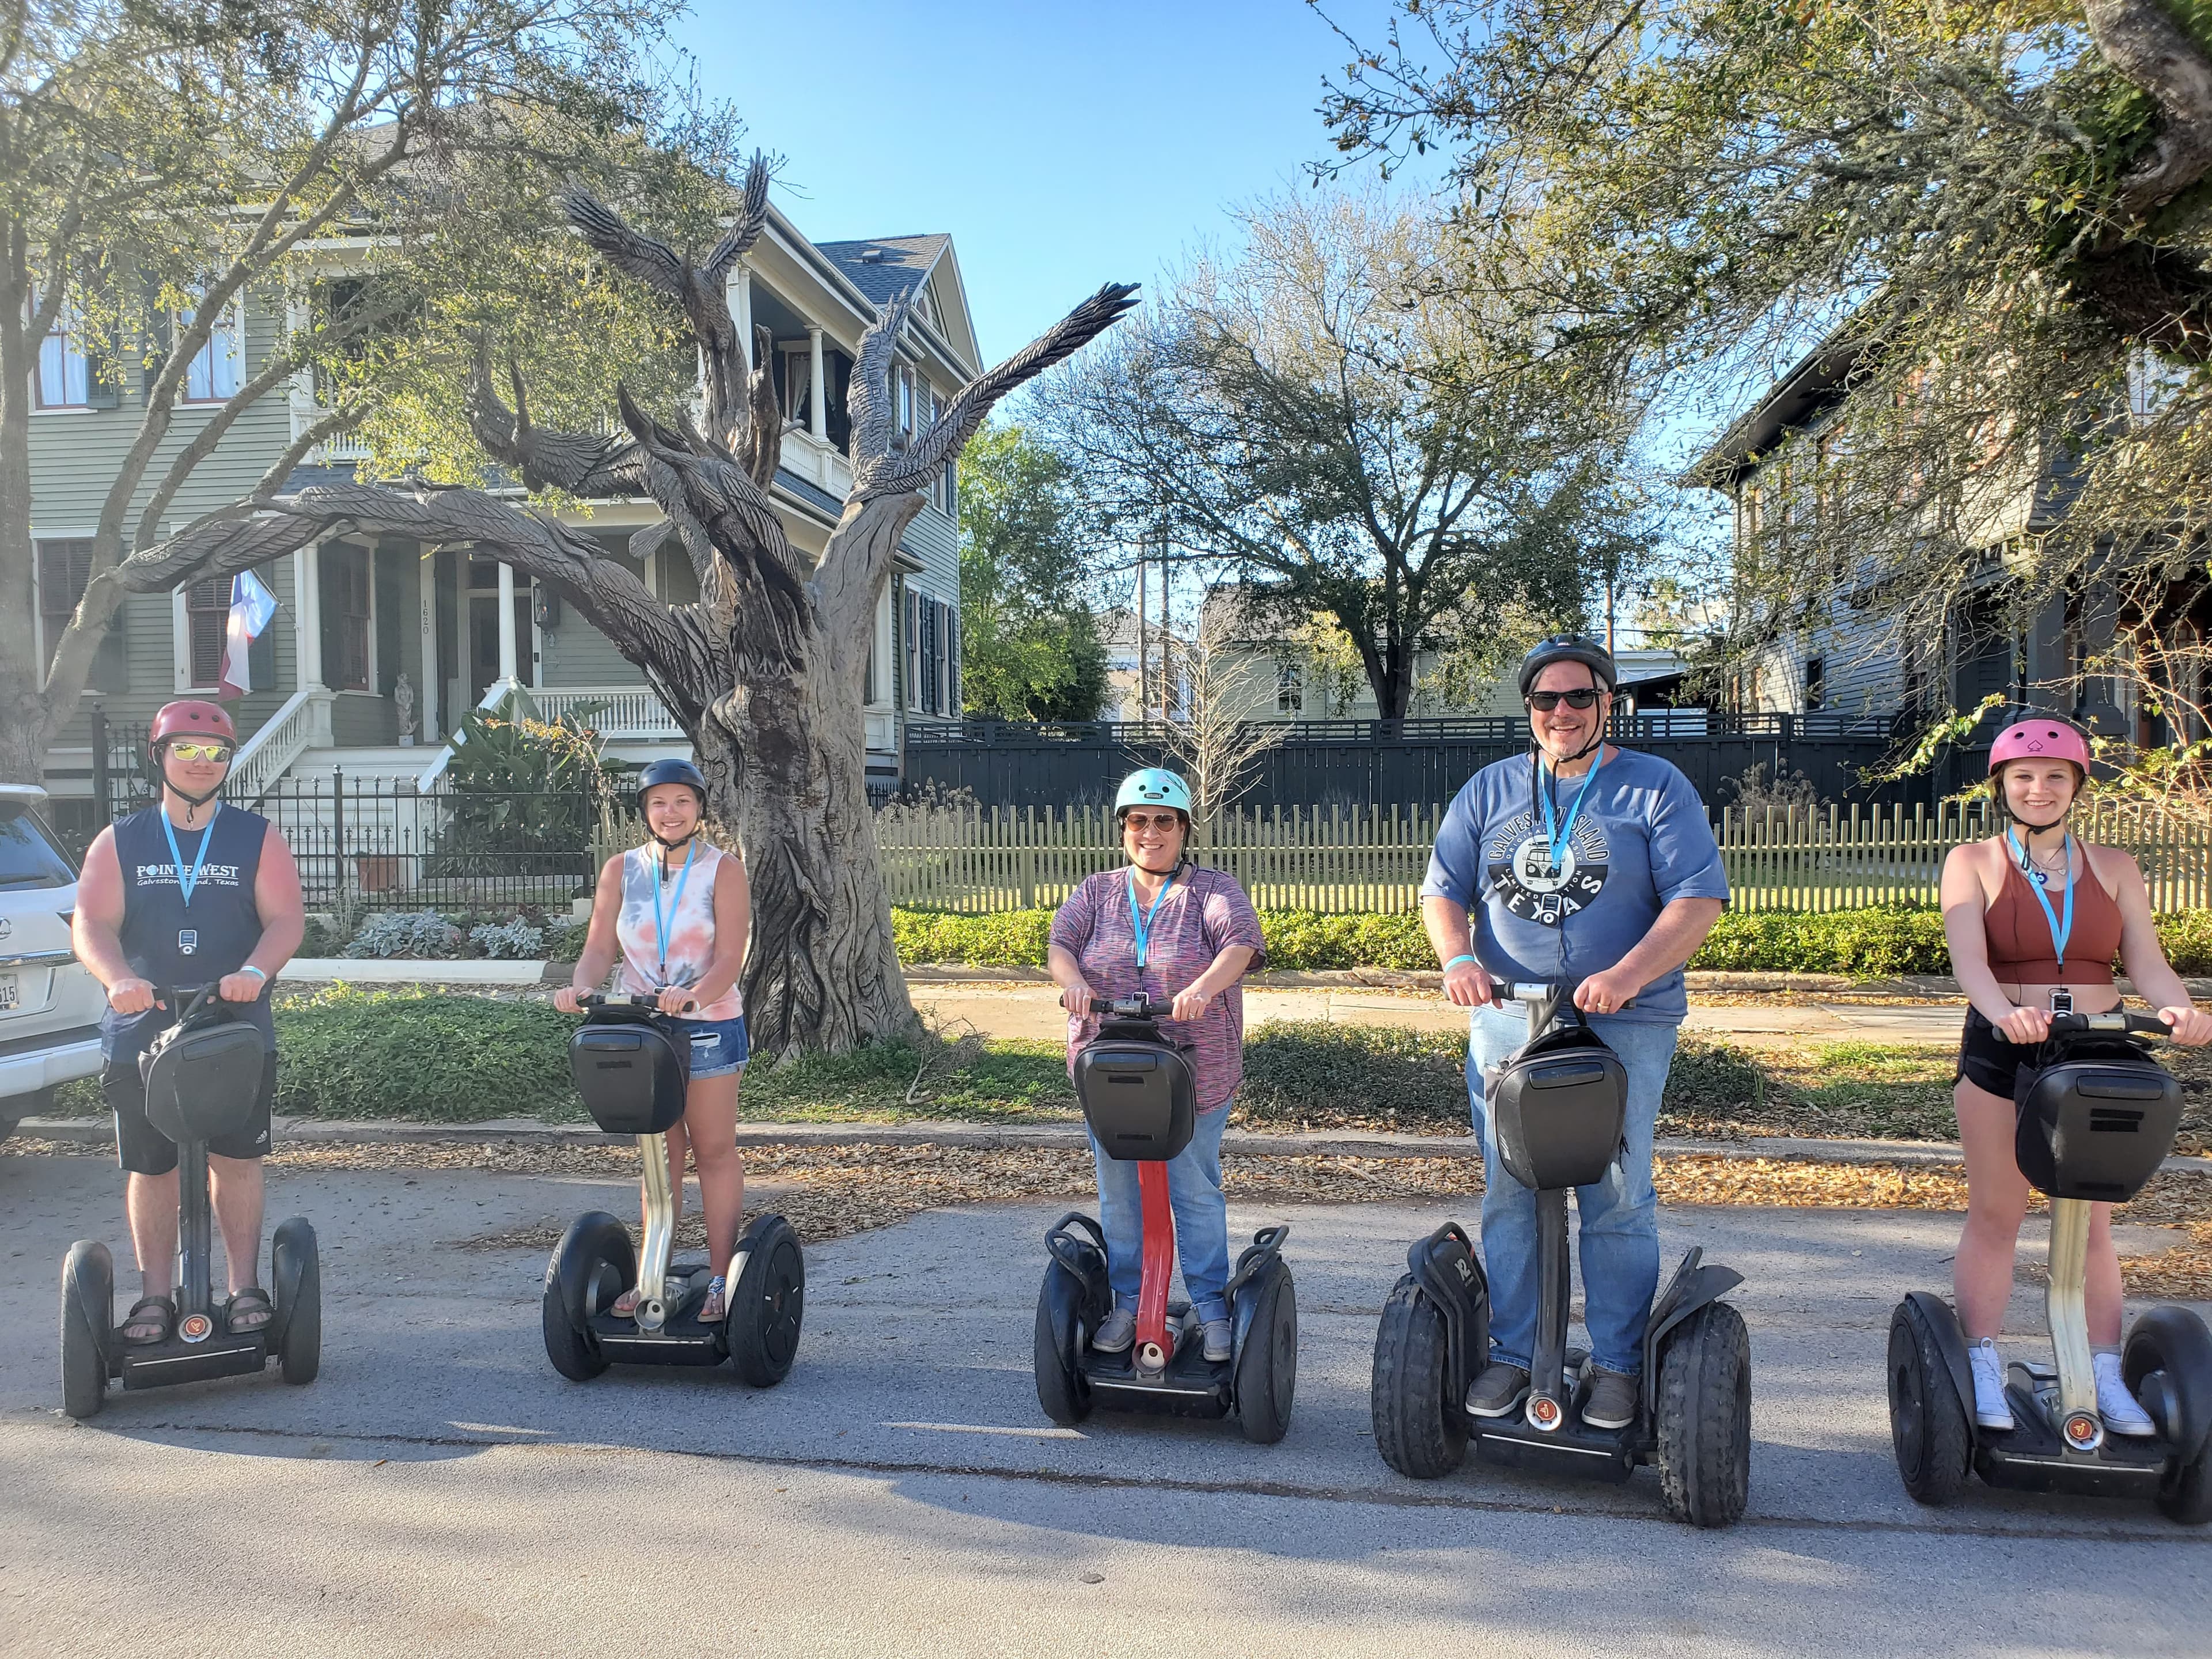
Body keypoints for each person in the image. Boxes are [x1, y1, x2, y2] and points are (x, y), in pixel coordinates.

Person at [1419, 635, 1729, 1431]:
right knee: (1511, 1187)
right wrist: (1458, 956)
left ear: (1606, 704)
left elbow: (1696, 899)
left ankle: (1619, 1364)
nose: (1562, 712)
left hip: (1624, 1019)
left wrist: (1628, 974)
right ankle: (1517, 1353)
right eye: (1546, 699)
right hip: (1509, 1017)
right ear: (1529, 709)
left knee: (1616, 1192)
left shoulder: (1653, 787)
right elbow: (1443, 889)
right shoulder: (1491, 790)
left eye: (1579, 698)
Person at [1940, 716, 2212, 1435]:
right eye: (2024, 777)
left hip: (2098, 1051)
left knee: (2090, 1226)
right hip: (2008, 1048)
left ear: (2076, 787)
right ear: (2002, 785)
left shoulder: (2115, 866)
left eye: (2055, 776)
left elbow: (2145, 962)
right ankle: (1982, 1363)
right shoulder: (1972, 861)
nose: (2039, 788)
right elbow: (1969, 958)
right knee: (1999, 1214)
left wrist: (2179, 1008)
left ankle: (2096, 1369)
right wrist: (2004, 1011)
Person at [72, 700, 306, 1345]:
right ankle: (153, 1294)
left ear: (229, 763)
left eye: (216, 754)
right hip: (142, 1028)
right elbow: (92, 923)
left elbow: (286, 919)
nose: (202, 764)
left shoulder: (256, 837)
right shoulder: (122, 839)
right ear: (160, 756)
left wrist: (254, 972)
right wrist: (119, 979)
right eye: (187, 750)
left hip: (233, 1027)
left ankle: (243, 1286)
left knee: (235, 1159)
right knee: (153, 1167)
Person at [1048, 768, 1266, 1362]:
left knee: (1192, 1189)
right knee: (1119, 1192)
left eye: (1163, 821)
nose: (1151, 832)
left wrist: (1202, 987)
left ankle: (1210, 1306)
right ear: (1123, 829)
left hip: (1193, 1071)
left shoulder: (1212, 891)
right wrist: (1072, 985)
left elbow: (1241, 943)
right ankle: (1127, 1301)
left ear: (1184, 828)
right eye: (1138, 821)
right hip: (1111, 1070)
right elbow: (1061, 944)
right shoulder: (1096, 892)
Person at [556, 757, 751, 1323]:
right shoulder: (621, 870)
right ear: (645, 811)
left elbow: (729, 957)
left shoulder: (723, 870)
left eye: (682, 802)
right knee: (659, 1157)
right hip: (643, 1026)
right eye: (659, 803)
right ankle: (651, 1275)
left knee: (712, 1150)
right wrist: (582, 987)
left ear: (699, 808)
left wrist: (694, 996)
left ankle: (719, 1280)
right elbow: (599, 948)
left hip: (708, 1024)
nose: (671, 812)